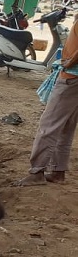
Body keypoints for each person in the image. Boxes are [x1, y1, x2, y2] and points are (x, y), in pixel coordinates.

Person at [17, 14, 78, 186]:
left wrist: (69, 63)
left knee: (48, 126)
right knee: (66, 126)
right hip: (74, 79)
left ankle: (37, 172)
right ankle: (58, 172)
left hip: (71, 77)